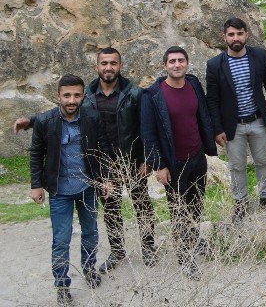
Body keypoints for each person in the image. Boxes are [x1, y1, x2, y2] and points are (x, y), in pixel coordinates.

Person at [15, 48, 156, 271]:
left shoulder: (134, 94)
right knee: (111, 209)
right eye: (104, 63)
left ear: (120, 65)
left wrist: (147, 159)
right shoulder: (86, 94)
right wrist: (31, 121)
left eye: (113, 63)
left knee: (142, 205)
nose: (108, 67)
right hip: (101, 163)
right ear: (97, 66)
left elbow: (147, 127)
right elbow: (63, 109)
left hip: (131, 160)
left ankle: (148, 248)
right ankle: (117, 252)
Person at [140, 47, 218, 279]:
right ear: (165, 65)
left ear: (187, 63)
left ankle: (193, 241)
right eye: (172, 61)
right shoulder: (153, 95)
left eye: (181, 60)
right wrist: (159, 165)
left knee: (196, 206)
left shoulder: (193, 84)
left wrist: (209, 145)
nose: (176, 65)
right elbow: (148, 133)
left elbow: (201, 115)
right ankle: (185, 257)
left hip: (196, 157)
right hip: (174, 163)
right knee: (178, 210)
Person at [29, 75, 104, 305]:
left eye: (77, 95)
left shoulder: (92, 117)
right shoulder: (45, 121)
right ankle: (62, 285)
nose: (72, 100)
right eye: (67, 95)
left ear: (83, 96)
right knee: (61, 239)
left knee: (91, 232)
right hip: (59, 190)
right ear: (58, 96)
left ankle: (89, 269)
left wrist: (105, 179)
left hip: (87, 187)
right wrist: (36, 185)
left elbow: (103, 149)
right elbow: (36, 154)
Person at [205, 17, 266, 221]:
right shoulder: (214, 65)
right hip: (233, 126)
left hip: (258, 120)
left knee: (263, 161)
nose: (236, 38)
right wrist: (217, 129)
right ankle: (240, 203)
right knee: (237, 166)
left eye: (240, 33)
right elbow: (211, 100)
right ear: (225, 37)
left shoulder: (258, 55)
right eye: (231, 34)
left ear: (246, 35)